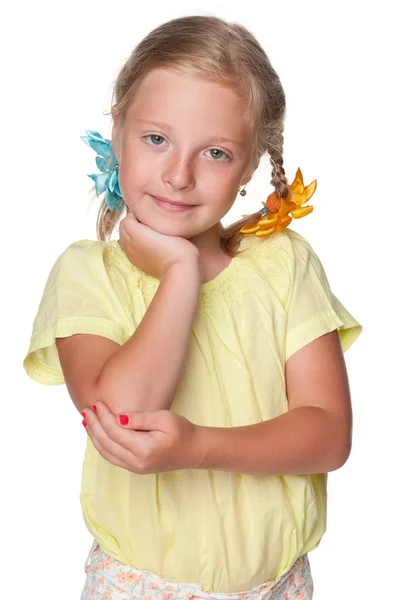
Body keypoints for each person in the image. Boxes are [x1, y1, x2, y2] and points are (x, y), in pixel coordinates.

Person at [22, 14, 362, 600]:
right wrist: (179, 273)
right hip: (138, 588)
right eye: (156, 139)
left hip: (279, 587)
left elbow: (328, 434)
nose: (178, 176)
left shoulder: (283, 266)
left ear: (252, 163)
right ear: (118, 126)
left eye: (215, 153)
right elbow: (121, 420)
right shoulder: (87, 274)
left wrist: (198, 446)